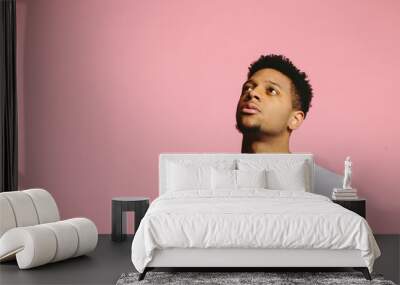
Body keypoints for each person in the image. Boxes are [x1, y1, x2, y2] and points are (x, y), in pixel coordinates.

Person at [235, 54, 314, 154]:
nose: (252, 93)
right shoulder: (212, 169)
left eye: (271, 91)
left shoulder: (310, 170)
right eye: (248, 87)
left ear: (295, 119)